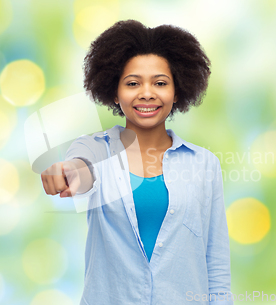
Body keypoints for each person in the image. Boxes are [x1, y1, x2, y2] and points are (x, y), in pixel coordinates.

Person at [41, 19, 233, 305]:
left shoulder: (204, 164)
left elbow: (216, 265)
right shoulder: (95, 149)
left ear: (177, 90)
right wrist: (68, 173)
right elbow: (82, 169)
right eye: (133, 83)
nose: (146, 93)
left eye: (160, 83)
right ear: (115, 92)